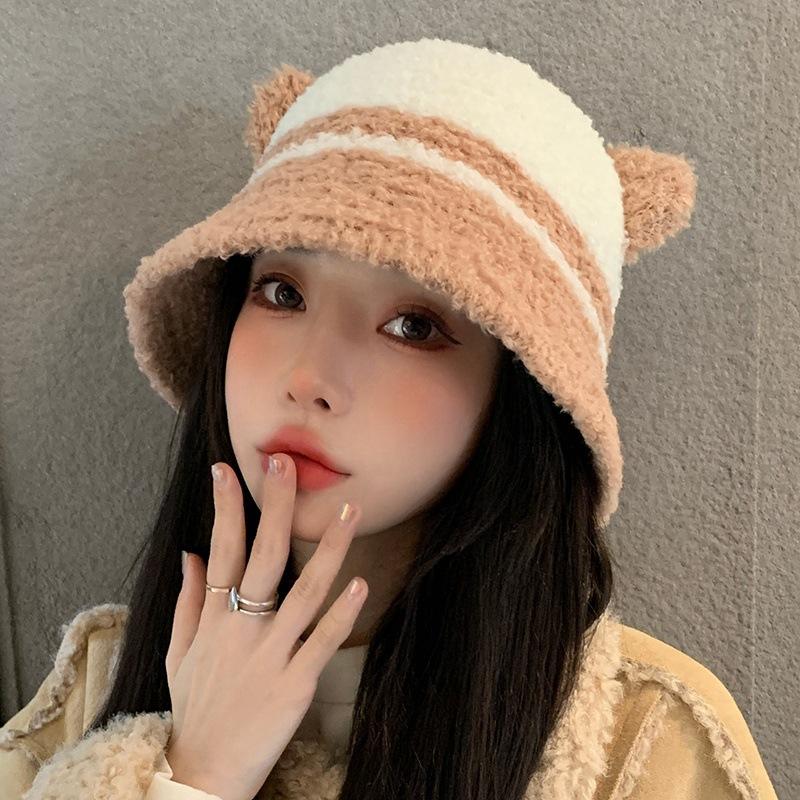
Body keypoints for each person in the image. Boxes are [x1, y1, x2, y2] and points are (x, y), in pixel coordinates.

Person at [0, 36, 779, 800]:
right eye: (282, 292)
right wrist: (194, 774)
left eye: (413, 326)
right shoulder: (97, 683)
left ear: (521, 397)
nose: (310, 379)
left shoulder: (650, 747)